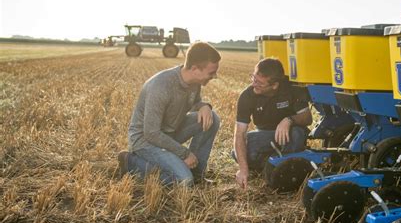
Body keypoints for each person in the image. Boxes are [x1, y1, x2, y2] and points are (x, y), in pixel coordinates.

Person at [118, 42, 221, 186]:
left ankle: (197, 174)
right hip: (145, 141)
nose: (215, 76)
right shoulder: (160, 86)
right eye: (211, 72)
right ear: (195, 69)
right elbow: (151, 133)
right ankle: (131, 163)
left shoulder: (194, 82)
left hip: (169, 133)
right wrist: (184, 154)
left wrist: (203, 106)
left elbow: (194, 102)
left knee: (213, 118)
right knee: (183, 181)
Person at [233, 58, 312, 189]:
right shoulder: (246, 96)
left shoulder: (291, 88)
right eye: (253, 78)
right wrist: (243, 169)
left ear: (274, 85)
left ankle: (283, 168)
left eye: (260, 83)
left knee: (297, 134)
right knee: (240, 151)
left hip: (290, 135)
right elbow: (240, 133)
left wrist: (289, 120)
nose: (254, 84)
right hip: (265, 135)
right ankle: (275, 161)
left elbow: (307, 118)